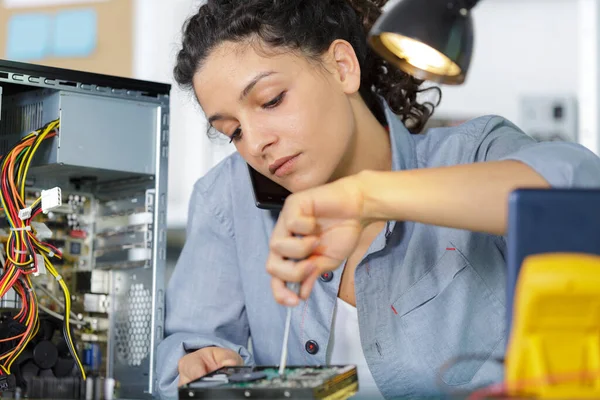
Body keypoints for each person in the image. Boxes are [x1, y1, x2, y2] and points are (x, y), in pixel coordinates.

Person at [156, 0, 600, 398]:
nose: (255, 143)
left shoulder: (472, 152)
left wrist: (367, 197)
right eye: (231, 131)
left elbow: (577, 191)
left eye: (271, 100)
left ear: (342, 67)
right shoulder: (225, 197)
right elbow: (187, 344)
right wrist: (201, 362)